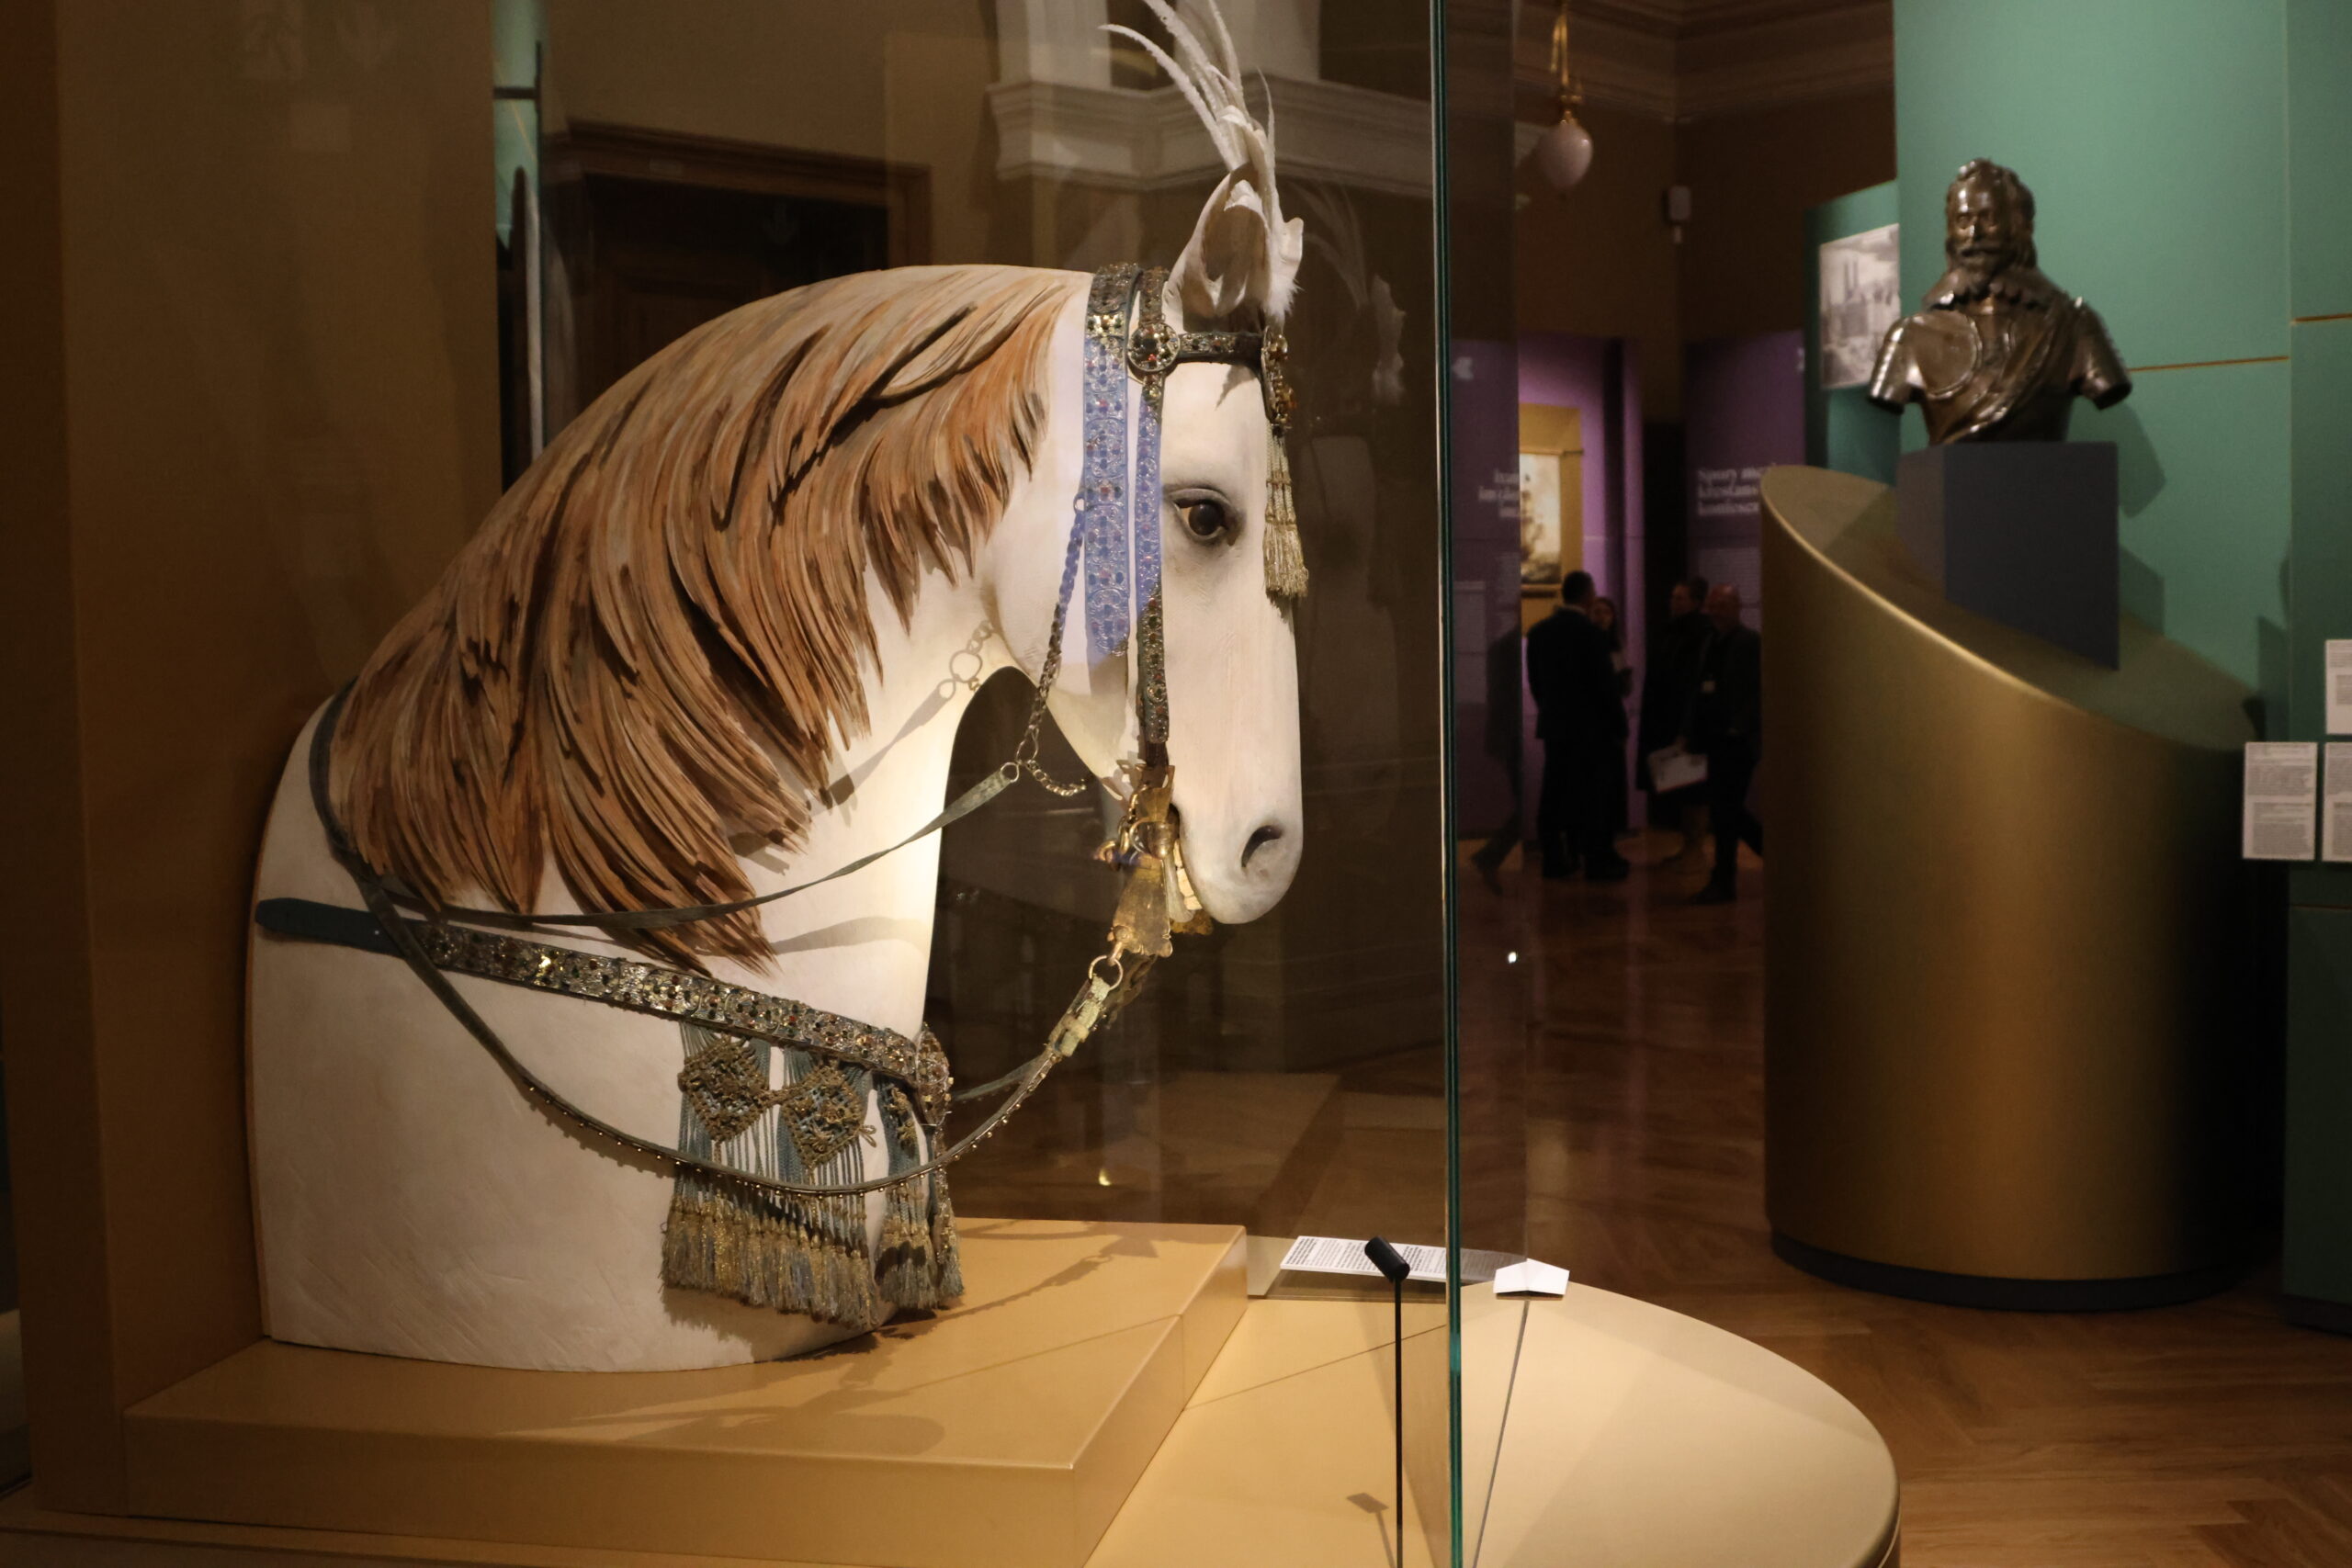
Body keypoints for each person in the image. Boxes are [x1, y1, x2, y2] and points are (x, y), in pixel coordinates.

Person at [1866, 158, 2131, 445]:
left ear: (2020, 227)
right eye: (1963, 221)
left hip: (2043, 473)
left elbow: (2107, 385)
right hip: (1952, 475)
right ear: (1950, 232)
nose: (1974, 235)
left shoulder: (2073, 326)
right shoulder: (1910, 336)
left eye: (1989, 218)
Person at [1526, 570, 1631, 881]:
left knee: (1554, 792)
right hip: (1591, 729)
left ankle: (1554, 859)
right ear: (1587, 595)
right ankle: (1597, 863)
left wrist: (1550, 711)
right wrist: (1619, 726)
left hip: (1556, 726)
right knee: (1593, 795)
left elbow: (1536, 682)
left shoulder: (1539, 632)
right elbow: (1604, 687)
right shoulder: (1591, 634)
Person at [1687, 583, 1762, 903]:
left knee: (1727, 809)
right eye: (1713, 605)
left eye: (1722, 605)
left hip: (1736, 741)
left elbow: (1758, 689)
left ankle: (1727, 877)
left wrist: (1739, 725)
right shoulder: (1709, 642)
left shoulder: (1750, 642)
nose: (1715, 611)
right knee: (1723, 810)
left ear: (1737, 607)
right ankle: (1724, 878)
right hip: (1713, 739)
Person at [1637, 576, 1713, 863]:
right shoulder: (1672, 631)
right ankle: (1688, 845)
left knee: (1693, 787)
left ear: (1695, 602)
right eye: (1673, 597)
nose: (1673, 602)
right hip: (1669, 717)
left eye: (1680, 598)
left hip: (1687, 719)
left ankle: (1695, 847)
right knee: (1681, 784)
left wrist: (1687, 724)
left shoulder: (1701, 634)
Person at [1592, 596, 1632, 837]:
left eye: (1606, 612)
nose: (1602, 617)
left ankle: (1612, 829)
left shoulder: (1617, 646)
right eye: (1597, 612)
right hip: (1594, 721)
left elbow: (1626, 689)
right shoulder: (1588, 646)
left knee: (1614, 777)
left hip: (1613, 718)